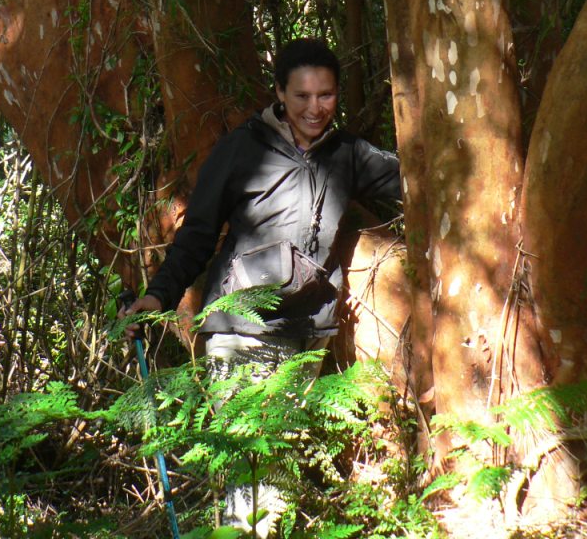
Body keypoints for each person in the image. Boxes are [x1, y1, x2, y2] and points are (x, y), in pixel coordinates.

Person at [120, 37, 400, 534]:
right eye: (302, 97)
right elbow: (198, 235)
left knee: (277, 481)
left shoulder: (347, 154)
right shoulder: (240, 149)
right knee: (256, 487)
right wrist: (159, 294)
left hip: (305, 333)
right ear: (279, 94)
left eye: (327, 96)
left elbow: (420, 181)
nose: (315, 108)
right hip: (240, 330)